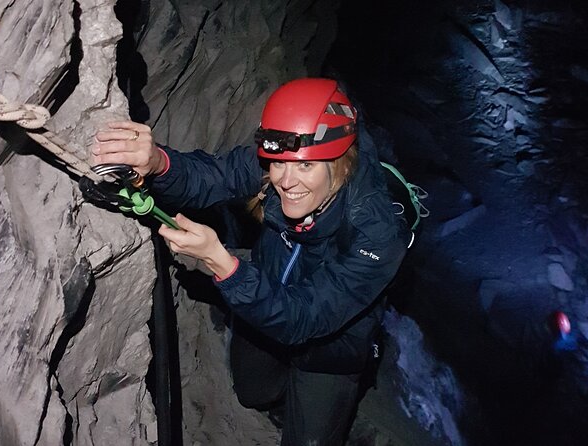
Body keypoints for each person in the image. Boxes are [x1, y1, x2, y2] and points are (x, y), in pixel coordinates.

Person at [92, 78, 410, 445]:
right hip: (266, 297)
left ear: (338, 163)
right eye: (276, 164)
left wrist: (223, 265)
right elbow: (213, 176)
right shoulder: (282, 160)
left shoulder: (379, 231)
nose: (284, 181)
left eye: (305, 168)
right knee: (252, 392)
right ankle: (283, 402)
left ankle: (314, 412)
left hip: (331, 347)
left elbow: (304, 316)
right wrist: (159, 163)